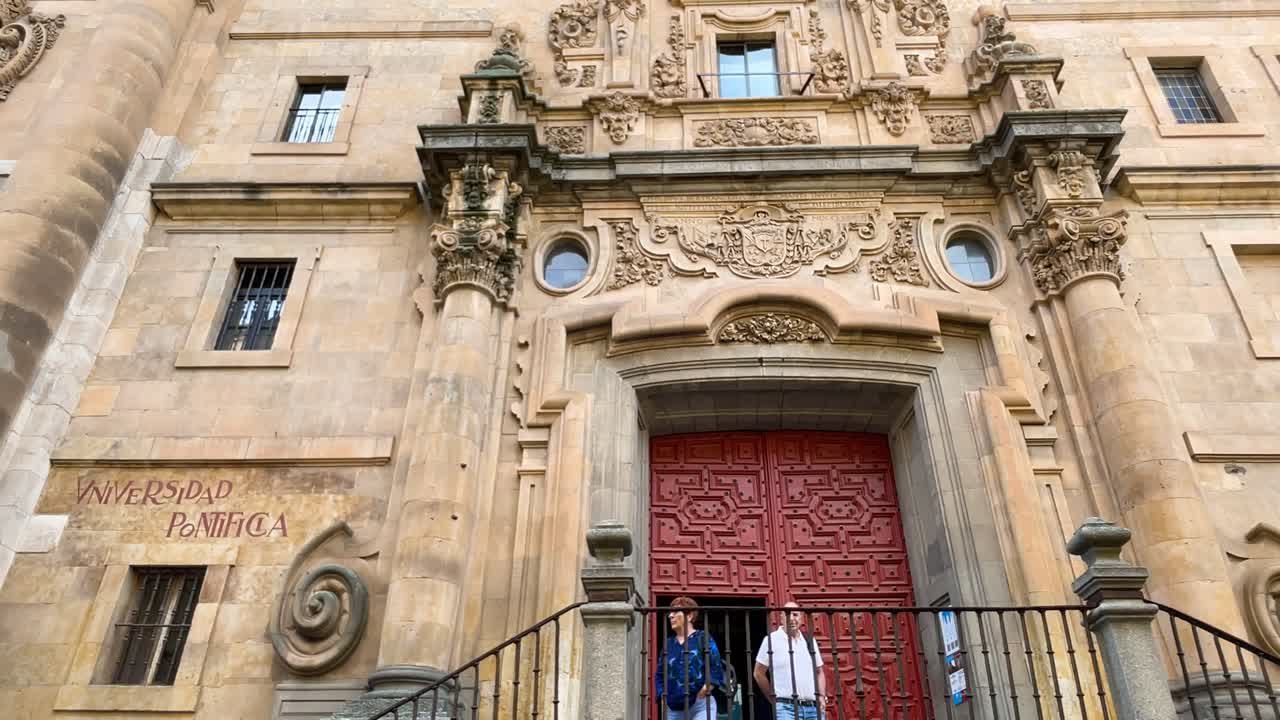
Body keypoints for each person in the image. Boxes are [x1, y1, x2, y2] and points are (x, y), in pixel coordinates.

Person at [753, 601, 828, 720]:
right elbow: (758, 673)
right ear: (781, 617)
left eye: (795, 615)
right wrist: (773, 698)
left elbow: (819, 671)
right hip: (786, 709)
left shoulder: (809, 640)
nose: (792, 618)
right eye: (787, 615)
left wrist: (822, 696)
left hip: (813, 708)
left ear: (801, 618)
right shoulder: (771, 640)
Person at [655, 596, 726, 720]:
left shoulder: (703, 638)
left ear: (689, 616)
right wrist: (662, 696)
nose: (670, 616)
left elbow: (716, 667)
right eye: (670, 612)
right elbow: (660, 674)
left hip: (701, 704)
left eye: (675, 612)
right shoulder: (669, 643)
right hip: (673, 707)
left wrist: (705, 689)